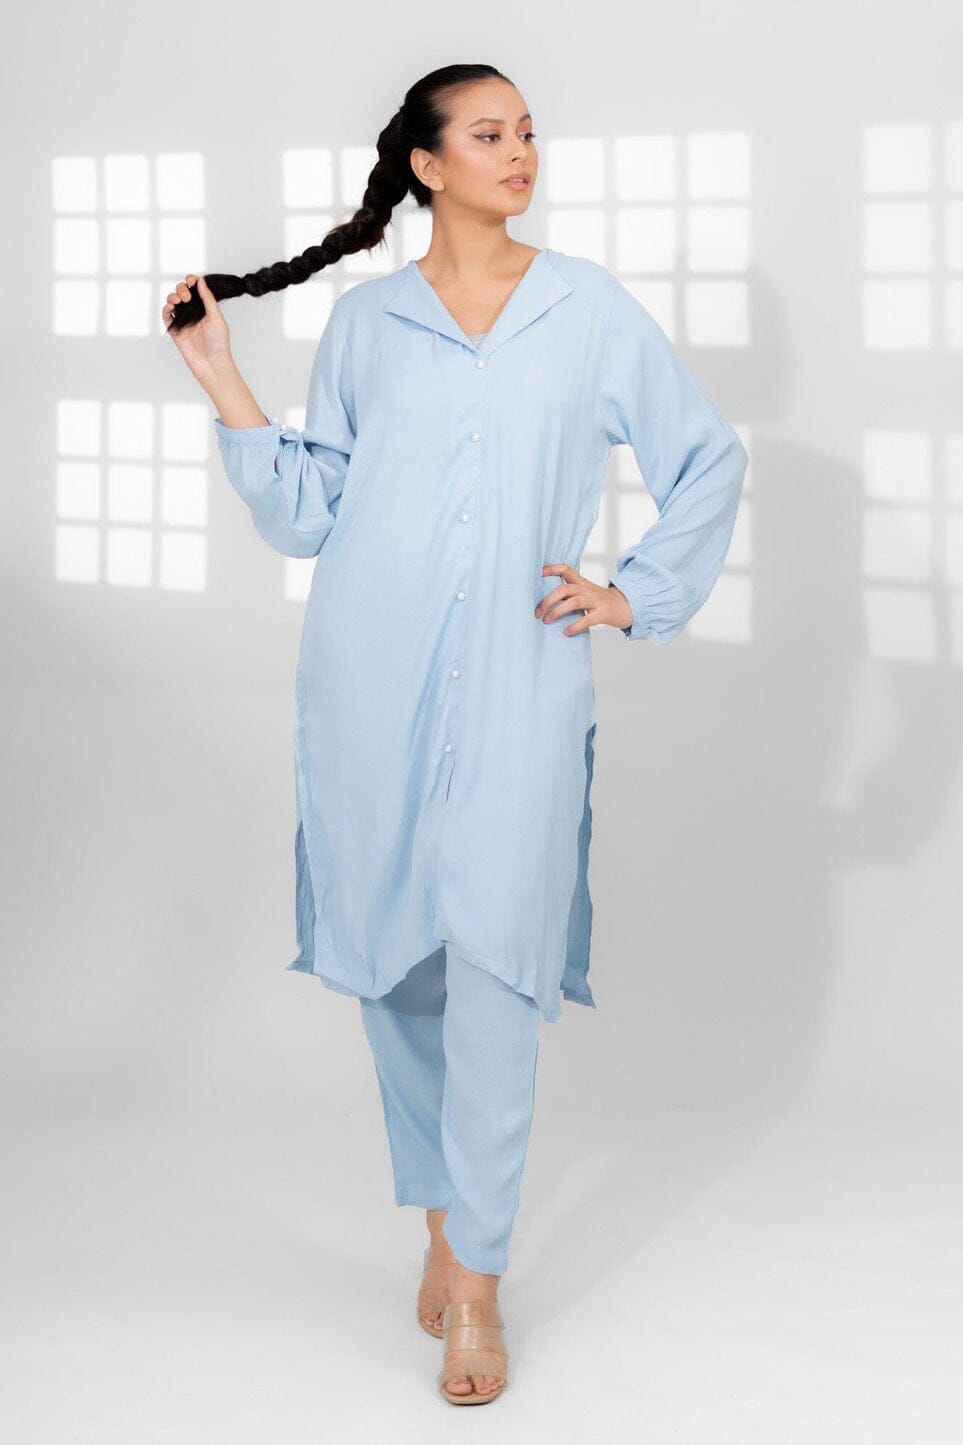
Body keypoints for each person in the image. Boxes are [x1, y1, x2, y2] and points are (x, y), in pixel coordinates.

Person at [163, 62, 748, 1406]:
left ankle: (475, 1277)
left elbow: (705, 457)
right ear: (427, 165)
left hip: (522, 684)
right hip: (368, 679)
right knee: (395, 967)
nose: (521, 152)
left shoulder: (586, 310)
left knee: (495, 965)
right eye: (490, 134)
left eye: (528, 132)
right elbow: (315, 516)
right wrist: (222, 378)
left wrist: (634, 590)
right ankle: (441, 1211)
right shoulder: (367, 325)